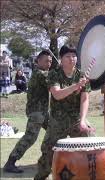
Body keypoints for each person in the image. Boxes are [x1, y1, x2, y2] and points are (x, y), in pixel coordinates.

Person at [34, 45, 95, 180]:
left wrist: (83, 120)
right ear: (61, 59)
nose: (71, 59)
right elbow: (57, 94)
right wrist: (75, 86)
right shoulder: (54, 74)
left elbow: (85, 99)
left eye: (74, 56)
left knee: (89, 140)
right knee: (48, 151)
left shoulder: (82, 75)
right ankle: (40, 177)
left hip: (76, 118)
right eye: (67, 56)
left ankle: (85, 175)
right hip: (57, 119)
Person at [3, 50, 52, 173]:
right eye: (46, 61)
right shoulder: (40, 74)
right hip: (37, 112)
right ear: (38, 61)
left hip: (43, 112)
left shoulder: (42, 73)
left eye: (50, 61)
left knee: (55, 131)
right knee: (30, 137)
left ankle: (50, 159)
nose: (49, 63)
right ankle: (10, 162)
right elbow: (54, 81)